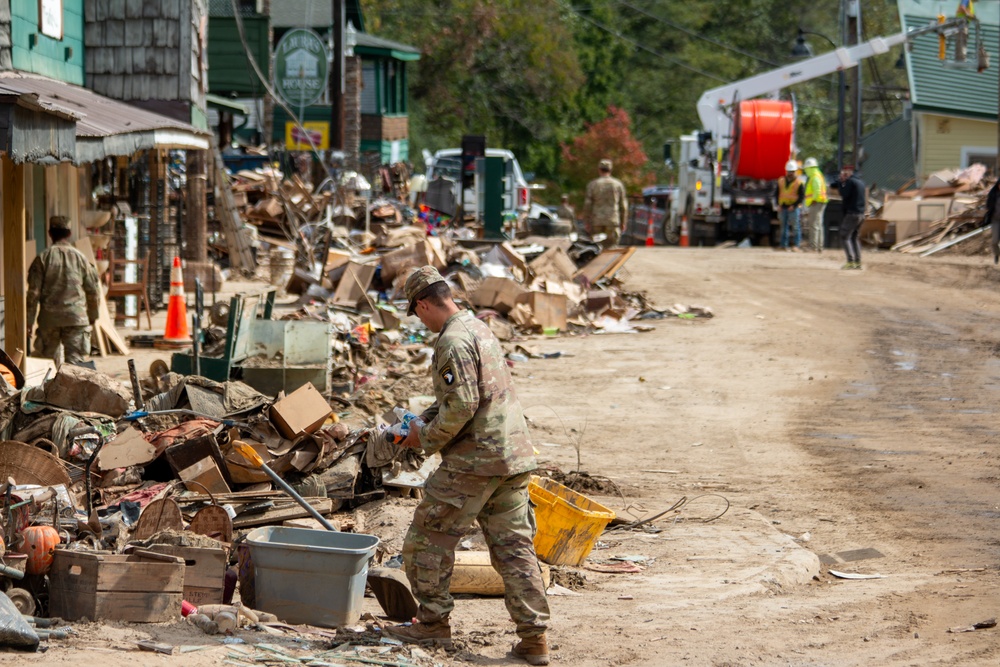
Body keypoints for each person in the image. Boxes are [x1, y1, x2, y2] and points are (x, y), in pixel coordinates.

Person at [384, 265, 551, 666]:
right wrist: (424, 416)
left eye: (417, 312)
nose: (420, 320)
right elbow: (472, 394)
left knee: (426, 541)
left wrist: (420, 438)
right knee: (513, 549)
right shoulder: (478, 328)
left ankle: (432, 623)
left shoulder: (451, 342)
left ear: (424, 304)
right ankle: (534, 639)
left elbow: (461, 405)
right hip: (511, 457)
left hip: (476, 461)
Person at [26, 216, 100, 365]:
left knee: (47, 365)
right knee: (75, 366)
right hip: (76, 318)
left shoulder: (42, 258)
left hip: (49, 320)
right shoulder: (81, 259)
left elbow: (33, 294)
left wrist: (29, 321)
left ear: (50, 233)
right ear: (69, 233)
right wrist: (93, 316)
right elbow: (93, 291)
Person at [584, 158, 627, 248]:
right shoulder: (618, 185)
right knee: (612, 248)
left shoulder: (593, 184)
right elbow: (623, 206)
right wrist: (623, 222)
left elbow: (588, 205)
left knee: (597, 247)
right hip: (612, 221)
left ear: (599, 169)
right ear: (610, 170)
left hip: (597, 222)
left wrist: (587, 222)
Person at [836, 164, 866, 269]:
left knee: (845, 236)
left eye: (844, 174)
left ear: (848, 173)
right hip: (861, 214)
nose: (842, 176)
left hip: (852, 213)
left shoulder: (850, 182)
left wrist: (841, 183)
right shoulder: (861, 182)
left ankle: (850, 261)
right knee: (854, 237)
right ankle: (858, 262)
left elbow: (844, 194)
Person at [776, 160, 804, 250]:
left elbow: (801, 197)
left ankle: (796, 245)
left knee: (796, 227)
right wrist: (778, 205)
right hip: (783, 207)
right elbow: (776, 193)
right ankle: (783, 245)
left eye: (792, 172)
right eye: (789, 171)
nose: (790, 173)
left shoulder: (799, 183)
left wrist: (794, 206)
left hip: (794, 208)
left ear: (795, 171)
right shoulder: (781, 181)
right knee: (783, 227)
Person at [803, 157, 828, 253]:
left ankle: (813, 247)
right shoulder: (819, 175)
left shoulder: (815, 177)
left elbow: (817, 191)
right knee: (819, 225)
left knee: (814, 225)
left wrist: (813, 199)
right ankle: (819, 247)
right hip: (820, 202)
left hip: (816, 202)